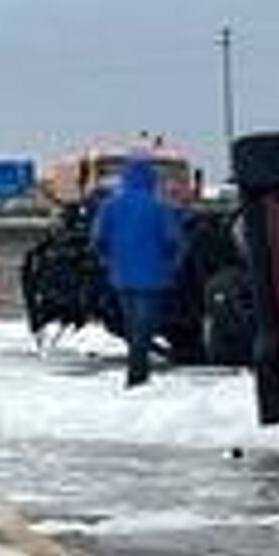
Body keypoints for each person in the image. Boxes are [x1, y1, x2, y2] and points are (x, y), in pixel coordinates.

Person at [91, 158, 186, 387]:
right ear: (151, 181)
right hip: (154, 278)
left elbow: (98, 240)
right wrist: (172, 266)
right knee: (144, 328)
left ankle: (137, 374)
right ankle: (137, 376)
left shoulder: (110, 207)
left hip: (122, 277)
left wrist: (108, 261)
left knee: (134, 326)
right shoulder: (161, 208)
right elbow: (175, 241)